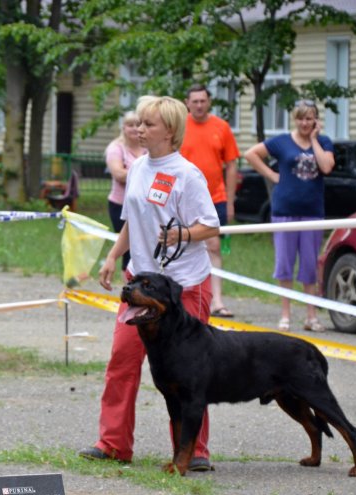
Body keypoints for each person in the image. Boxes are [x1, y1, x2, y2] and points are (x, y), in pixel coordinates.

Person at [79, 95, 219, 472]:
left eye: (148, 124)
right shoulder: (138, 167)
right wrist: (112, 257)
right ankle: (113, 444)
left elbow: (211, 226)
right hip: (140, 283)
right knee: (122, 361)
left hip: (185, 287)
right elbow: (131, 220)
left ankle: (195, 451)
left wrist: (181, 235)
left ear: (170, 131)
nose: (140, 129)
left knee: (191, 370)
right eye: (138, 123)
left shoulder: (188, 175)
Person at [244, 99, 334, 333]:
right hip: (284, 210)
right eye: (301, 118)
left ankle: (311, 316)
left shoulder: (324, 141)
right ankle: (285, 315)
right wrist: (272, 175)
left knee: (309, 265)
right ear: (295, 119)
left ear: (315, 120)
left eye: (309, 118)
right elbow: (251, 154)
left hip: (312, 212)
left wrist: (313, 140)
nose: (305, 123)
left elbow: (326, 167)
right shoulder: (281, 141)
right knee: (284, 263)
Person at [180, 84, 241, 318]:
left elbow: (232, 164)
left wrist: (231, 201)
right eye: (194, 101)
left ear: (209, 102)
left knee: (213, 246)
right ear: (187, 102)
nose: (198, 105)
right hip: (184, 198)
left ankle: (216, 300)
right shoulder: (179, 125)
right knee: (183, 244)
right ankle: (185, 296)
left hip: (215, 197)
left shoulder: (221, 127)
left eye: (202, 100)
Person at [105, 110, 146, 270]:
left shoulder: (147, 148)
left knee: (143, 248)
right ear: (123, 128)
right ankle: (128, 286)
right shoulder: (116, 148)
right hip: (120, 204)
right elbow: (119, 174)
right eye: (130, 125)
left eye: (138, 124)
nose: (135, 128)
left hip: (144, 205)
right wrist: (146, 174)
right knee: (128, 248)